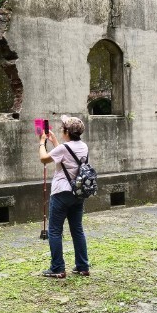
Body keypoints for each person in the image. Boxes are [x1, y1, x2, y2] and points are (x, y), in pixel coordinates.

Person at [38, 115, 90, 278]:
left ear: (67, 131)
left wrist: (41, 142)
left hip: (61, 193)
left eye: (62, 127)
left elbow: (44, 159)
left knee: (54, 231)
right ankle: (83, 266)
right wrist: (54, 142)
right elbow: (67, 156)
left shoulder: (63, 149)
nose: (61, 129)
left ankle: (57, 268)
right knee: (77, 229)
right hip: (77, 193)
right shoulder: (83, 146)